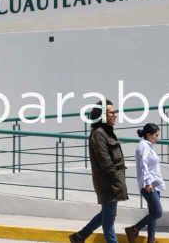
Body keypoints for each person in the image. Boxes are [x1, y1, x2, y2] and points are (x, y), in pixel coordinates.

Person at [70, 100, 128, 243]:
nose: (115, 115)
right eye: (112, 112)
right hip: (108, 182)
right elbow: (106, 163)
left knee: (106, 214)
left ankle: (80, 237)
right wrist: (117, 182)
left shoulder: (107, 132)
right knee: (109, 219)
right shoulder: (98, 134)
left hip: (113, 181)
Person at [124, 123, 165, 243]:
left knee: (153, 212)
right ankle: (133, 229)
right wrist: (147, 183)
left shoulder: (149, 146)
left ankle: (151, 240)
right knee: (158, 212)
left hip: (154, 184)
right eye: (156, 135)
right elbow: (143, 165)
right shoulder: (143, 146)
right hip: (148, 185)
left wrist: (155, 183)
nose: (157, 137)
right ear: (148, 135)